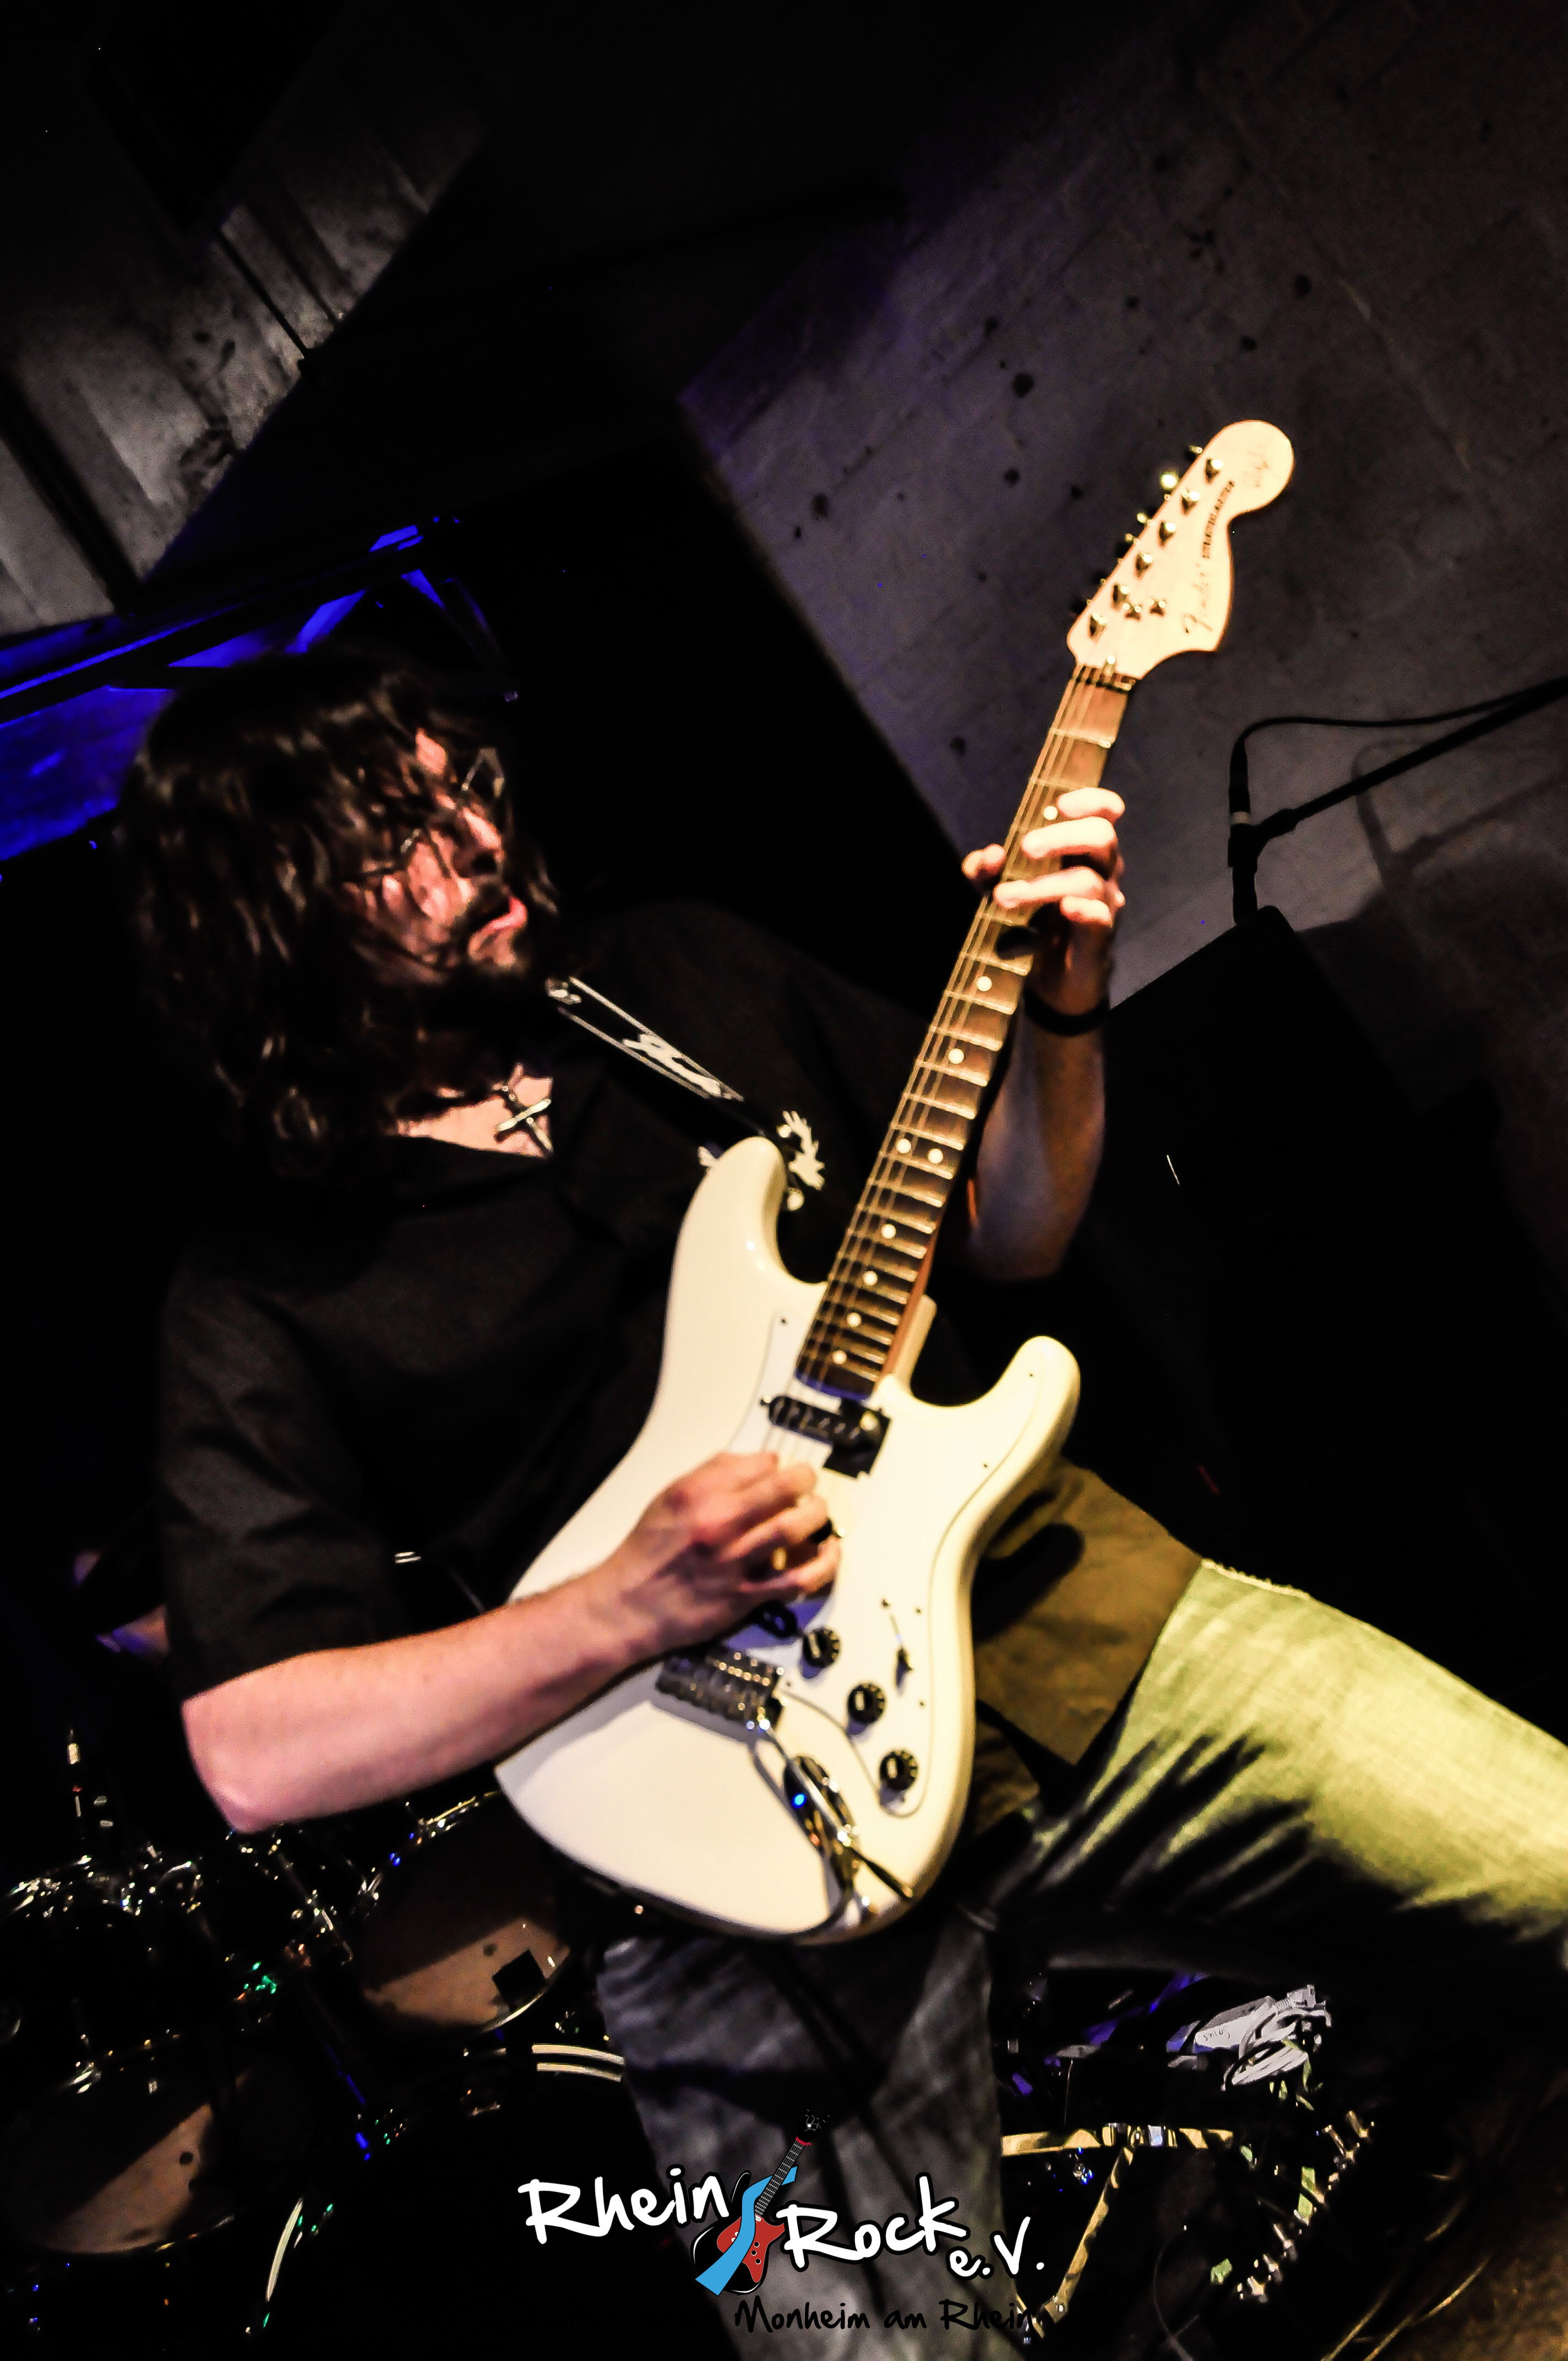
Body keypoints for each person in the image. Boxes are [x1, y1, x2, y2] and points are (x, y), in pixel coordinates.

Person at [121, 652, 1568, 2357]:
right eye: (400, 837)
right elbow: (255, 1750)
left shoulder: (668, 977)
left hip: (1065, 1627)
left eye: (468, 792)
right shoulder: (260, 1292)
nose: (478, 843)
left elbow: (1014, 1231)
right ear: (268, 912)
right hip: (726, 1859)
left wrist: (1065, 1009)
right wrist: (632, 1603)